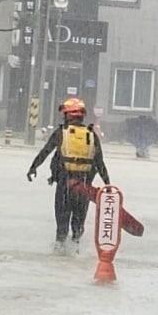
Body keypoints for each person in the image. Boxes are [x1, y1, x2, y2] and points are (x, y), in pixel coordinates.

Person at [27, 97, 111, 252]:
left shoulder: (61, 133)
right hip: (84, 188)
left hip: (65, 187)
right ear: (82, 115)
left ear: (66, 115)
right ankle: (75, 250)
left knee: (62, 225)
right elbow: (100, 163)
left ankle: (59, 253)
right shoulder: (91, 135)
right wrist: (108, 185)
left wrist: (33, 167)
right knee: (78, 225)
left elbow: (45, 152)